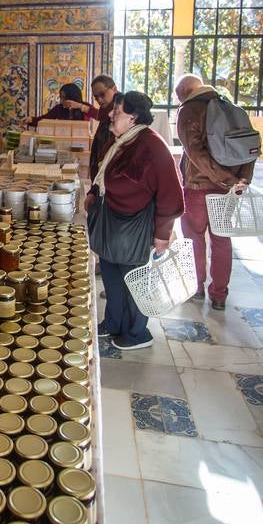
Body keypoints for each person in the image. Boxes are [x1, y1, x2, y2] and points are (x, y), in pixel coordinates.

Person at [85, 91, 184, 350]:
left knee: (134, 282)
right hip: (112, 223)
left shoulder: (151, 145)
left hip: (134, 227)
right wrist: (93, 193)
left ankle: (137, 333)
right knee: (112, 277)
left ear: (133, 118)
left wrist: (162, 234)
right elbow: (104, 174)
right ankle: (113, 323)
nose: (110, 115)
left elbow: (171, 195)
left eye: (116, 112)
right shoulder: (124, 141)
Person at [175, 74, 254, 310]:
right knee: (221, 239)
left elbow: (195, 154)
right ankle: (219, 295)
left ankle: (196, 288)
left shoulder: (189, 110)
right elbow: (250, 148)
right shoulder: (232, 108)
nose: (179, 101)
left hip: (198, 187)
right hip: (227, 190)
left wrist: (227, 179)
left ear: (187, 91)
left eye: (179, 96)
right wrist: (240, 180)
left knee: (194, 238)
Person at [63, 74, 118, 180]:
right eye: (96, 97)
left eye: (102, 94)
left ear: (114, 89)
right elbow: (100, 115)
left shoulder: (121, 109)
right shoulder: (106, 107)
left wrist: (80, 106)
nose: (99, 100)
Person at [23, 83, 91, 127]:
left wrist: (79, 106)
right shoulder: (59, 108)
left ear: (72, 97)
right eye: (61, 97)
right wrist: (31, 120)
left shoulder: (85, 107)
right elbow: (44, 120)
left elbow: (97, 115)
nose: (61, 100)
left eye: (64, 98)